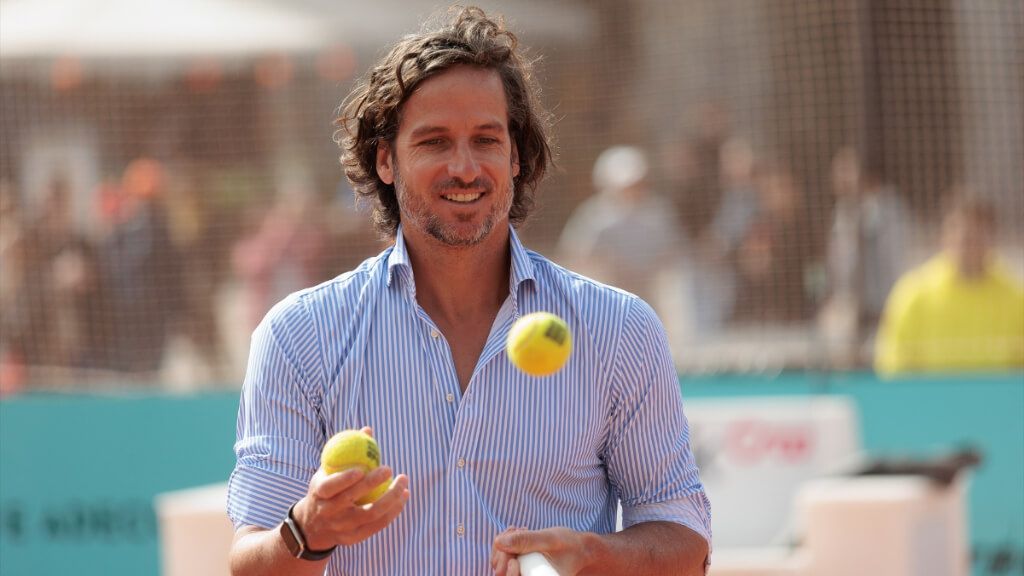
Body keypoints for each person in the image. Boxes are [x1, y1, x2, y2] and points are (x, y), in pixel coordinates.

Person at [227, 6, 711, 576]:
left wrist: (593, 555)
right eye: (433, 142)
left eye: (485, 139)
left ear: (514, 155)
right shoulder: (298, 336)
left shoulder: (618, 329)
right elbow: (250, 562)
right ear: (386, 160)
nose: (464, 167)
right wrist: (305, 534)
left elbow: (687, 544)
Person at [874, 192, 1024, 375]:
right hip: (929, 401)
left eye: (977, 237)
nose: (969, 246)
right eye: (964, 238)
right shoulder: (913, 294)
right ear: (944, 236)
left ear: (992, 238)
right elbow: (892, 366)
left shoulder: (1016, 297)